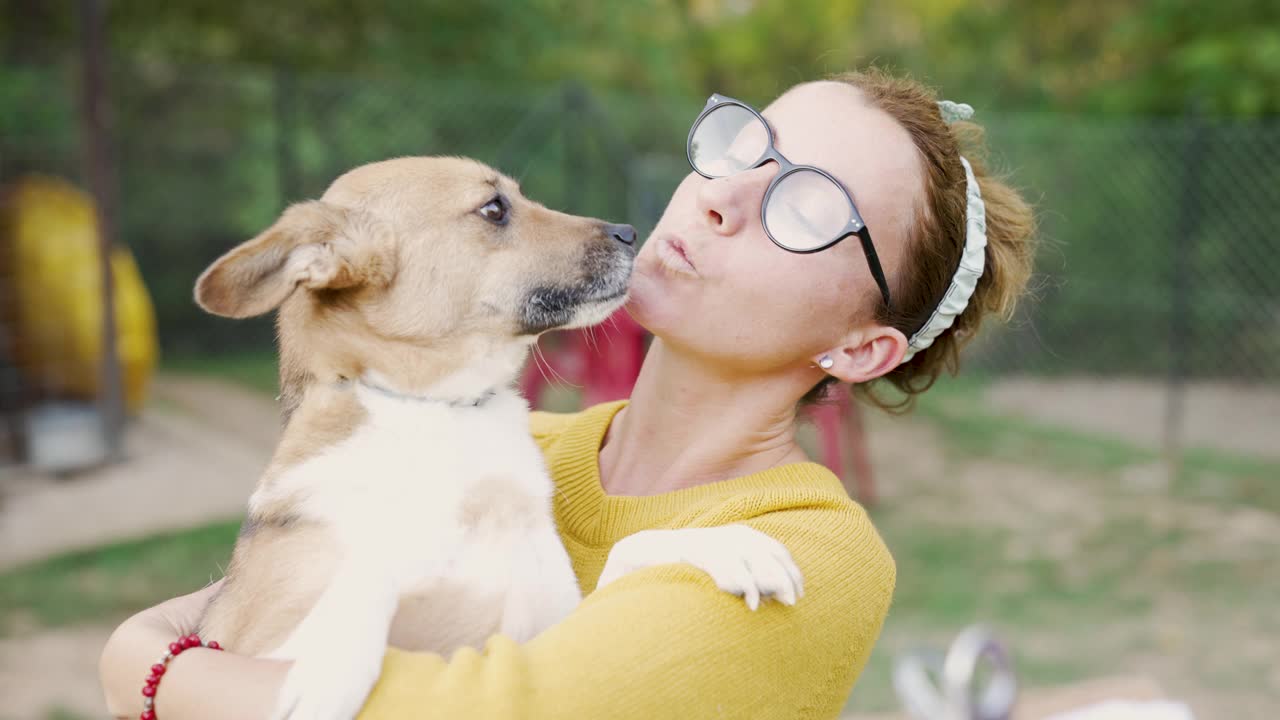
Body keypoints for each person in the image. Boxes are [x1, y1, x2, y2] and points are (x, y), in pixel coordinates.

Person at [100, 67, 1036, 720]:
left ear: (861, 348)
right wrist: (165, 653)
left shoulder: (812, 555)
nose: (723, 198)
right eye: (745, 145)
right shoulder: (517, 451)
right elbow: (245, 604)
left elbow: (481, 714)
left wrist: (140, 669)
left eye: (809, 206)